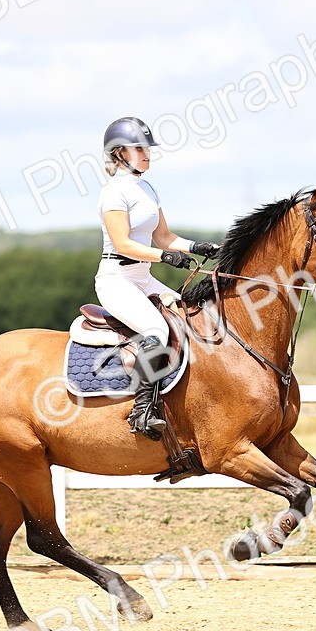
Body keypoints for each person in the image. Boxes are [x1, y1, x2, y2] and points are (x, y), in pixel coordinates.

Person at [95, 116, 220, 440]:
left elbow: (164, 236)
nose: (147, 153)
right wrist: (165, 257)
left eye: (147, 148)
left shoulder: (147, 188)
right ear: (119, 153)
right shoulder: (113, 194)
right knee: (155, 329)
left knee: (193, 317)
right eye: (139, 148)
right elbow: (123, 243)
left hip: (142, 278)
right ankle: (142, 411)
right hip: (116, 279)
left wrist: (198, 246)